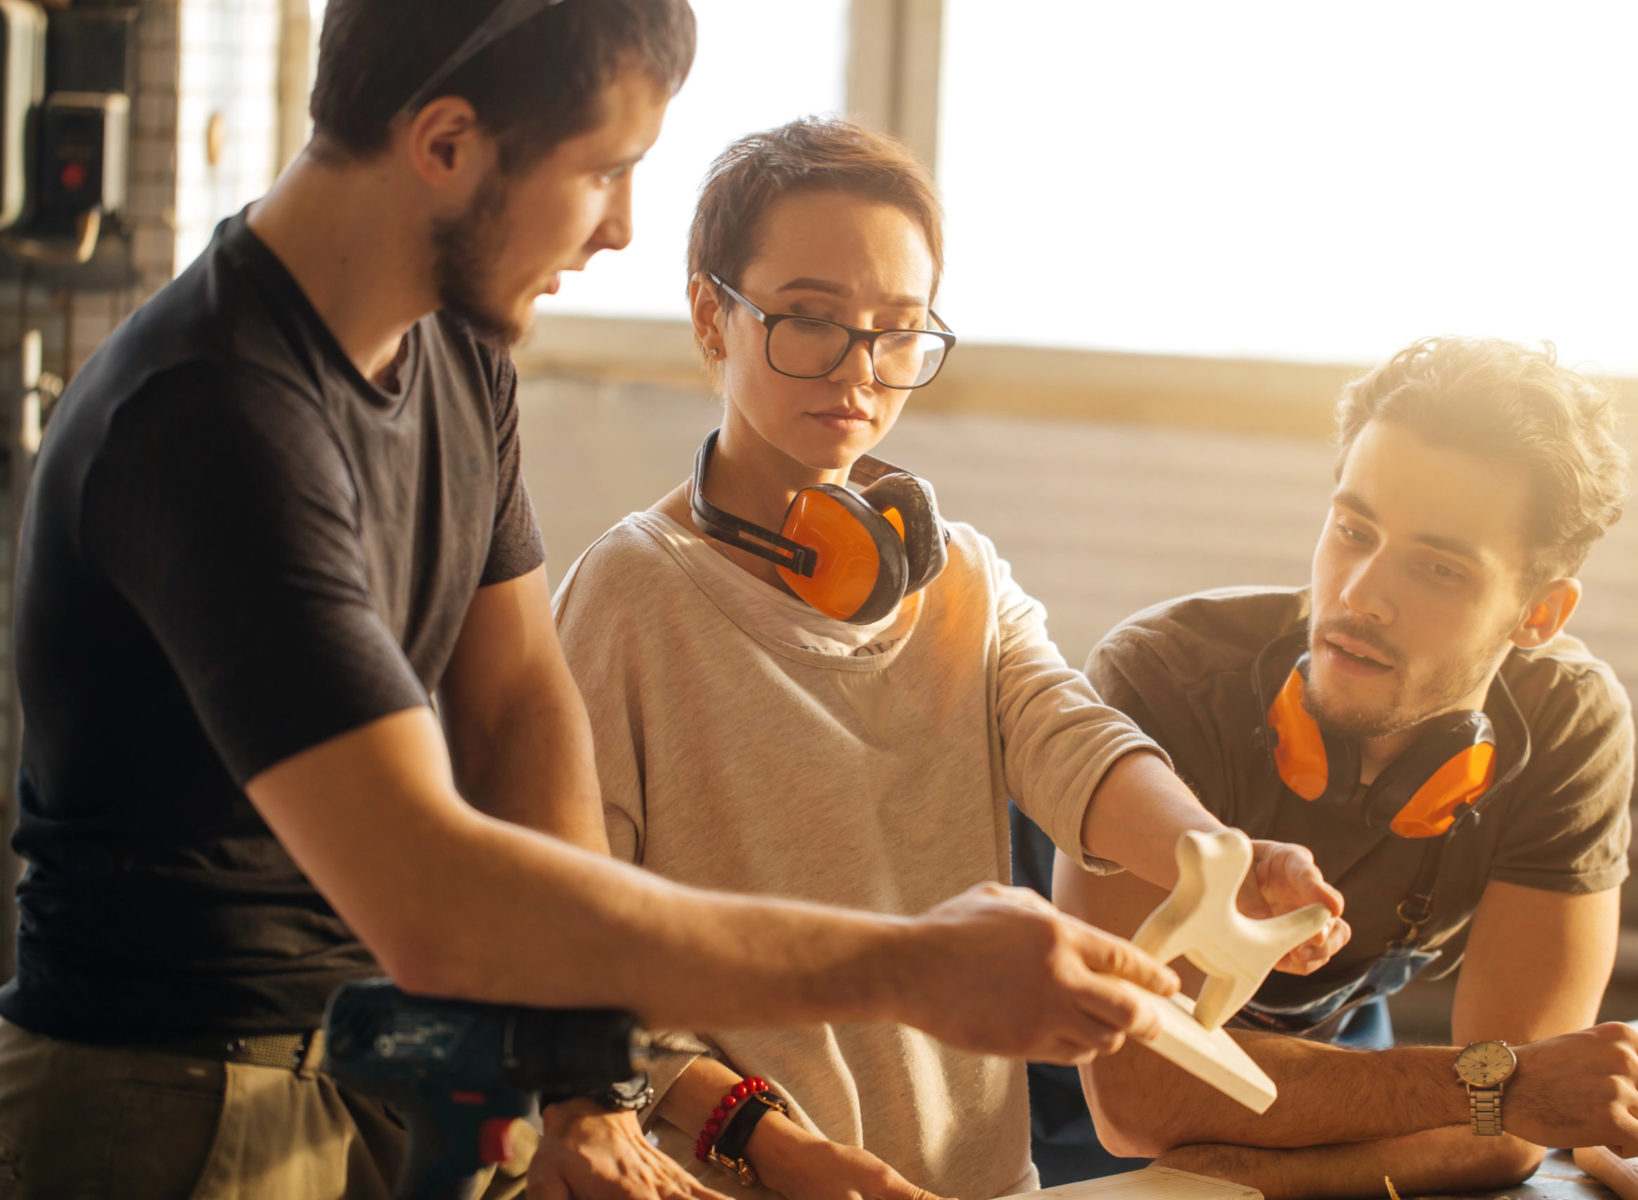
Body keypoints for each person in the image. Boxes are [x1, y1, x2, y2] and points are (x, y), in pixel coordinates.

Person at [0, 5, 1197, 1198]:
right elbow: (438, 899)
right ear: (447, 143)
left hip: (378, 1058)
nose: (623, 227)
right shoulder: (215, 419)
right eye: (605, 171)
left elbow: (521, 711)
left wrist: (580, 1080)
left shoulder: (457, 356)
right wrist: (910, 966)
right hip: (180, 1092)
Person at [552, 116, 1352, 1200]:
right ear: (711, 316)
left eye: (897, 331)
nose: (859, 372)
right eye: (810, 322)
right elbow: (571, 961)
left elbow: (1072, 737)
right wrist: (777, 1150)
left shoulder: (960, 578)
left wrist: (1219, 857)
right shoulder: (628, 595)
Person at [1058, 337, 1638, 1198]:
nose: (1358, 596)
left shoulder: (1568, 724)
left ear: (1539, 612)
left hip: (1333, 1063)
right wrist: (1483, 1090)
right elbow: (1138, 1100)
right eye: (1353, 530)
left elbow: (1517, 1132)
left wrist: (1250, 1173)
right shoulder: (1164, 674)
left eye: (1437, 567)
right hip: (1047, 1082)